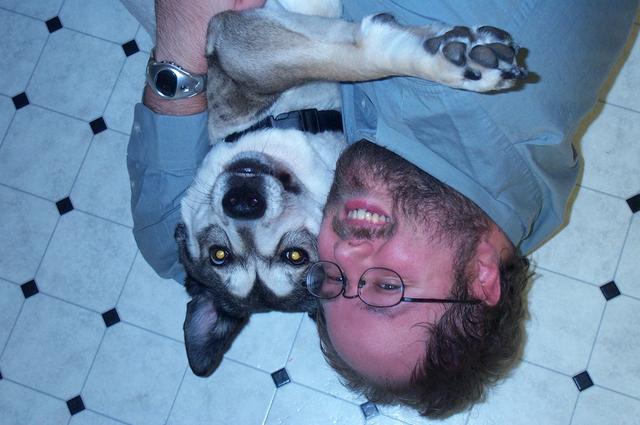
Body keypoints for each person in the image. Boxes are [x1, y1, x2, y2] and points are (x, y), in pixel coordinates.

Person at [123, 0, 639, 417]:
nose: (343, 251)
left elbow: (169, 244)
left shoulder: (452, 201)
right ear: (482, 278)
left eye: (330, 278)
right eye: (386, 287)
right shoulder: (477, 52)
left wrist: (178, 67)